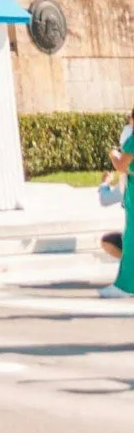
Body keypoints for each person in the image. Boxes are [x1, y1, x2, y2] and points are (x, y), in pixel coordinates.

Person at [99, 105, 134, 299]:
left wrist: (113, 154)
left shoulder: (131, 141)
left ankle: (125, 286)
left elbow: (122, 165)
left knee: (131, 241)